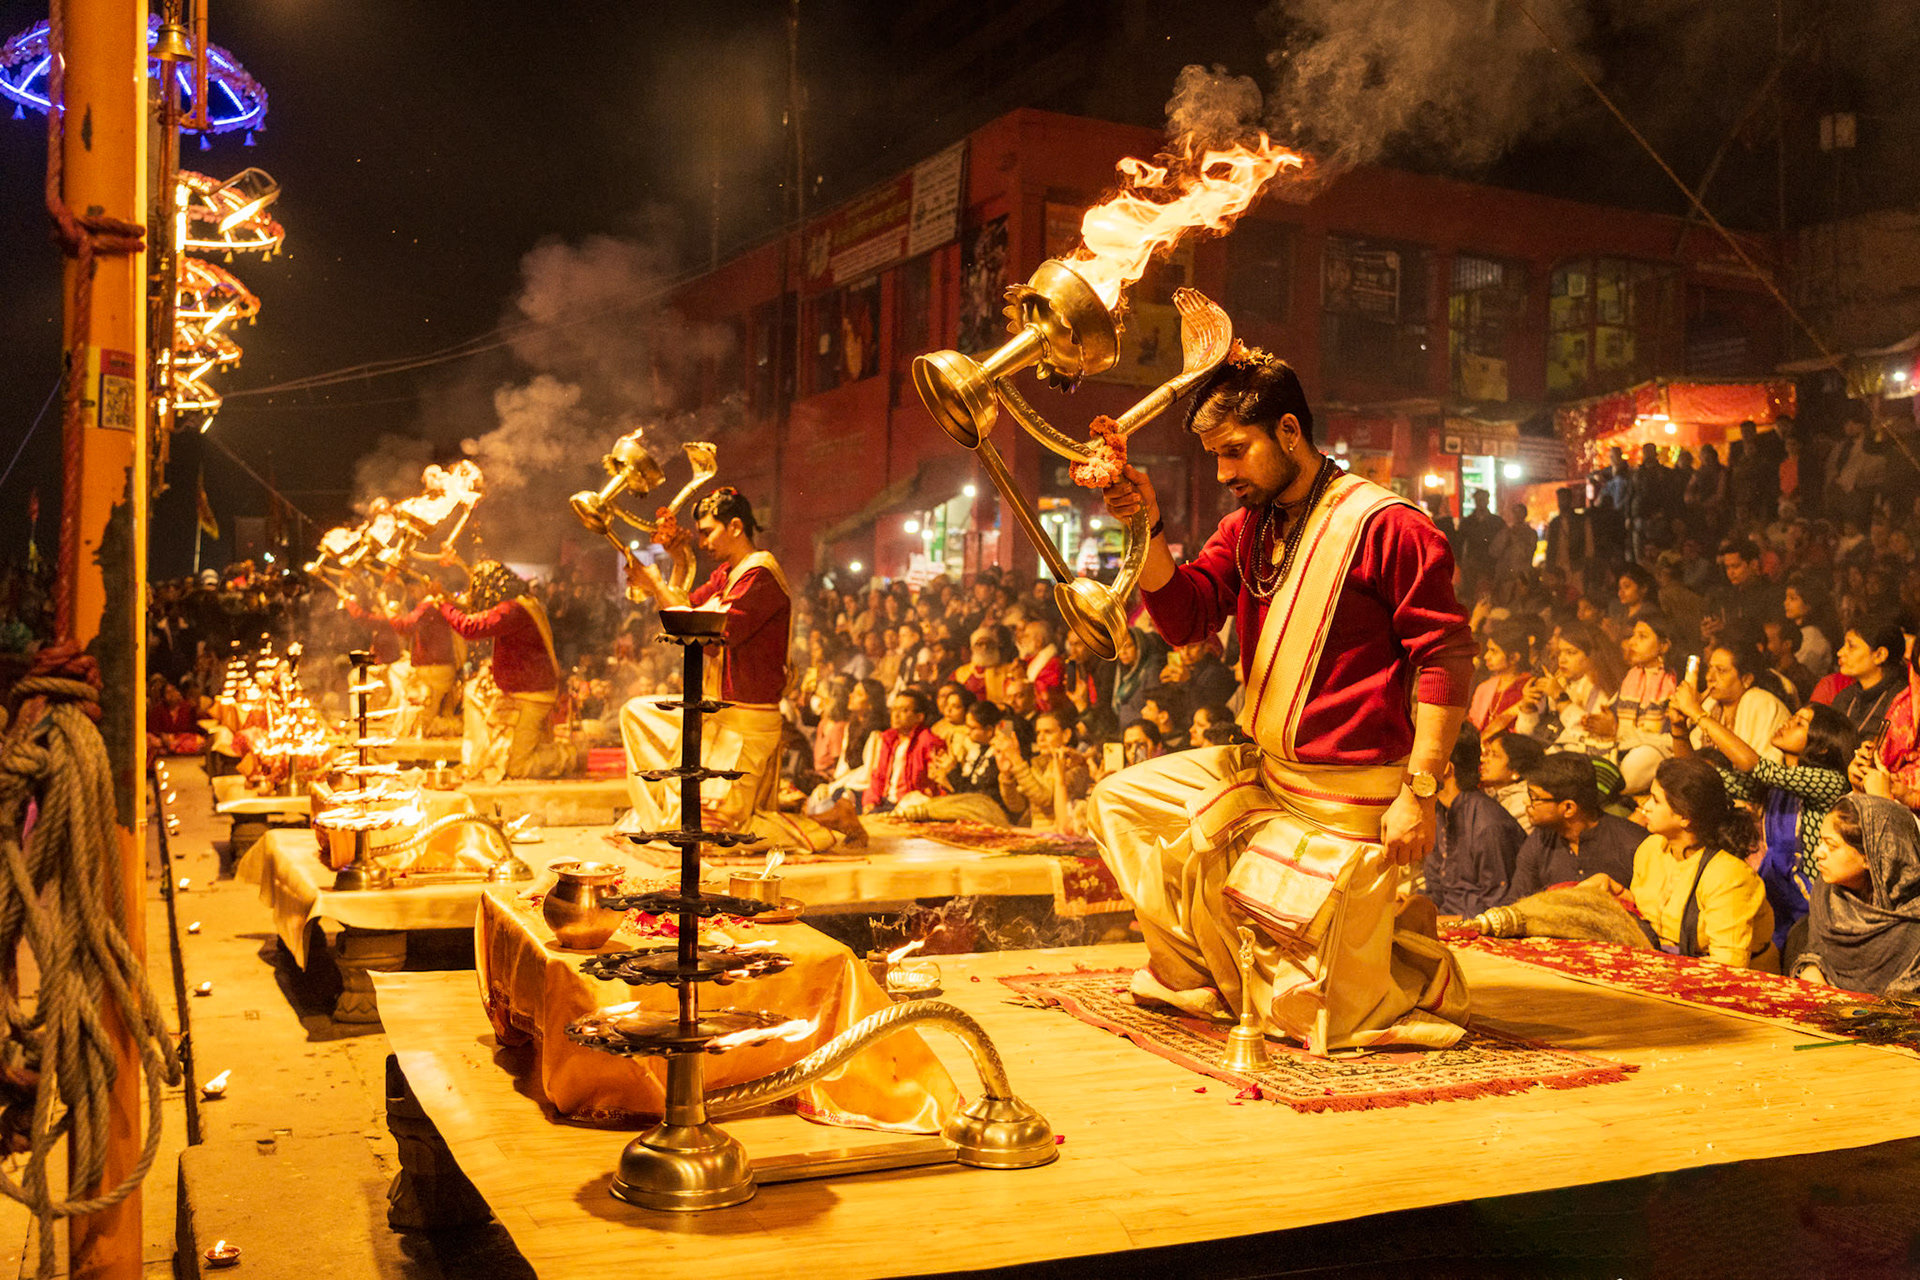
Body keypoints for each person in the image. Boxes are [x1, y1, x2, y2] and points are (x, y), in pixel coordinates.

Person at [1089, 349, 1474, 1054]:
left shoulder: (1389, 526)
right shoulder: (1248, 528)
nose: (1225, 473)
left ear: (1289, 431)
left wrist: (1419, 789)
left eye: (1235, 451)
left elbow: (1444, 657)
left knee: (1306, 1015)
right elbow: (1187, 620)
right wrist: (1144, 525)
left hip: (1349, 794)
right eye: (1214, 457)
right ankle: (1195, 973)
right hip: (1264, 774)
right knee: (1117, 800)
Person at [620, 489, 860, 851]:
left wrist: (655, 582)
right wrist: (679, 560)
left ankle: (825, 824)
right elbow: (688, 605)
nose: (702, 542)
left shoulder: (759, 574)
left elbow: (695, 628)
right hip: (717, 713)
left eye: (707, 532)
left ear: (735, 526)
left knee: (714, 835)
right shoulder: (728, 573)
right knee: (635, 713)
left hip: (744, 722)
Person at [1698, 700, 1857, 956]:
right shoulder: (1778, 784)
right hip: (1775, 894)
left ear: (1824, 746)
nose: (1787, 723)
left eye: (1799, 723)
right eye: (1792, 717)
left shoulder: (1830, 781)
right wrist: (1678, 731)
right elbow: (1703, 783)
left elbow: (1757, 767)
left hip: (1812, 906)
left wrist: (1699, 715)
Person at [1588, 758, 1774, 970]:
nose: (1644, 807)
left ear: (1685, 817)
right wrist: (1617, 892)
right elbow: (1659, 916)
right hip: (1671, 965)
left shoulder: (1728, 875)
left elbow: (1728, 964)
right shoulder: (1652, 847)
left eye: (1656, 801)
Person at [436, 561, 572, 782]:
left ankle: (566, 757)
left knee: (516, 767)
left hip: (531, 696)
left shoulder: (513, 610)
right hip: (523, 691)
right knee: (492, 750)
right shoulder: (524, 604)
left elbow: (470, 627)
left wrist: (443, 604)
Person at [1794, 796, 1920, 997]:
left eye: (1831, 845)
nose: (1819, 852)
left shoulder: (1913, 925)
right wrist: (1813, 974)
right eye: (1820, 841)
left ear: (1871, 857)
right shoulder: (1827, 893)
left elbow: (1899, 1007)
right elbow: (1814, 954)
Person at [1503, 753, 1643, 903]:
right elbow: (1515, 903)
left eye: (1535, 798)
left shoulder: (1633, 845)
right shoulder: (1539, 841)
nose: (1526, 802)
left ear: (1569, 808)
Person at [1425, 724, 1522, 917]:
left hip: (1477, 932)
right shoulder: (1439, 811)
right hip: (1445, 921)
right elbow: (1436, 891)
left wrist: (1444, 923)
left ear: (1445, 768)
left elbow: (1496, 908)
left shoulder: (1489, 825)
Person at [1514, 621, 1624, 760]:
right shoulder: (1558, 681)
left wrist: (1560, 698)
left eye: (1571, 653)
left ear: (1593, 654)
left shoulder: (1603, 688)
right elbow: (1526, 733)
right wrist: (1528, 708)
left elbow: (1585, 733)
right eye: (1560, 652)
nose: (1562, 659)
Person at [1670, 642, 1789, 767]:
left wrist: (1696, 712)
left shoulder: (1763, 703)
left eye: (1721, 671)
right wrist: (1678, 725)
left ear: (1746, 679)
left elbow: (1755, 768)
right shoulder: (1711, 704)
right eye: (1710, 668)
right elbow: (1686, 769)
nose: (1709, 677)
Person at [1613, 615, 1680, 794]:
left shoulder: (1674, 680)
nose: (1632, 642)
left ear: (1664, 646)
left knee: (1638, 761)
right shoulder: (1631, 677)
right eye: (1633, 636)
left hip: (1660, 749)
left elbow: (1670, 736)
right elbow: (1612, 717)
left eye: (1642, 637)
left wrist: (1622, 735)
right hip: (1624, 744)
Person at [997, 707, 1089, 833]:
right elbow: (1017, 806)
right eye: (1038, 733)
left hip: (1061, 836)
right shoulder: (1038, 763)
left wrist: (1016, 759)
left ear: (1066, 735)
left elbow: (1044, 797)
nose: (1041, 738)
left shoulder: (1074, 765)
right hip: (1038, 833)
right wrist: (1007, 777)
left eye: (1048, 732)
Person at [863, 688, 944, 814]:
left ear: (919, 717)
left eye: (904, 710)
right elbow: (878, 776)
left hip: (910, 807)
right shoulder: (890, 739)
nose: (896, 715)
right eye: (894, 709)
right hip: (886, 802)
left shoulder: (928, 742)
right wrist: (870, 801)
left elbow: (937, 784)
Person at [1825, 616, 1906, 740]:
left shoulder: (1902, 701)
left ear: (1879, 655)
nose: (1840, 652)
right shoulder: (1844, 698)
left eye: (1851, 646)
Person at [1468, 619, 1532, 737]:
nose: (1487, 656)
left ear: (1514, 657)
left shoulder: (1530, 687)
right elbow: (1473, 725)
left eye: (1494, 651)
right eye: (1488, 650)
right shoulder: (1484, 688)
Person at [1481, 730, 1544, 831]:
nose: (1484, 760)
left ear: (1515, 772)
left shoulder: (1522, 805)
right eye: (1488, 754)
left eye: (1495, 755)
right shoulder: (1490, 793)